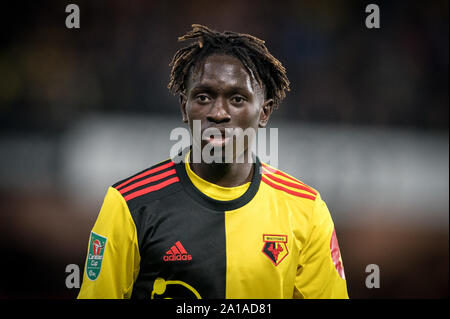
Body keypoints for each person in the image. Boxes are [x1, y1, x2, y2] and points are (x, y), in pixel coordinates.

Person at [77, 24, 349, 299]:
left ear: (264, 112)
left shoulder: (306, 210)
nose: (218, 113)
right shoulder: (129, 204)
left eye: (238, 99)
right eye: (204, 97)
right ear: (185, 108)